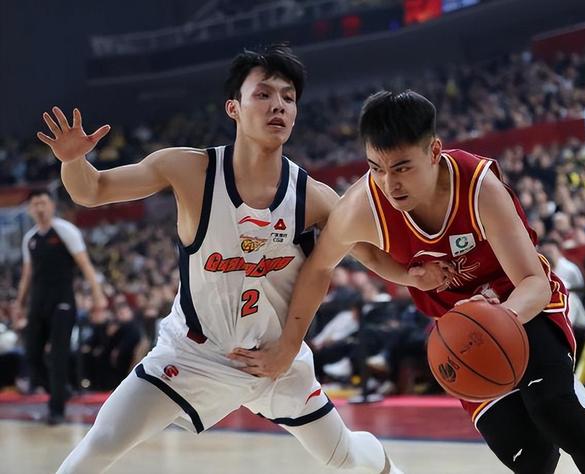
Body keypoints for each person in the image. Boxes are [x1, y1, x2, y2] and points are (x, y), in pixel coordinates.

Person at [38, 45, 404, 473]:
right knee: (102, 441)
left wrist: (418, 275)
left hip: (276, 359)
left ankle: (388, 466)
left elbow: (370, 254)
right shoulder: (188, 170)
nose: (279, 105)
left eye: (288, 97)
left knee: (345, 457)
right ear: (234, 107)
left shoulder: (314, 196)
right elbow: (92, 190)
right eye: (263, 94)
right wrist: (73, 161)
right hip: (193, 354)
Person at [236, 90, 585, 473]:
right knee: (528, 457)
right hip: (459, 330)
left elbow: (533, 282)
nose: (390, 184)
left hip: (522, 305)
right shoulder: (362, 207)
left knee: (555, 410)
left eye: (402, 167)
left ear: (434, 151)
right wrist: (291, 344)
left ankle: (584, 415)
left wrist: (498, 317)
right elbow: (323, 266)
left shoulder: (479, 188)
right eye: (376, 168)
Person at [13, 189, 107, 425]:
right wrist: (19, 304)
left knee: (58, 355)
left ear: (52, 205)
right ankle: (60, 391)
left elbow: (85, 264)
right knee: (32, 354)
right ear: (30, 210)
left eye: (43, 203)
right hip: (38, 302)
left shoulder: (66, 230)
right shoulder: (30, 239)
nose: (40, 208)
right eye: (35, 204)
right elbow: (27, 275)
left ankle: (57, 409)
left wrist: (98, 296)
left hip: (62, 301)